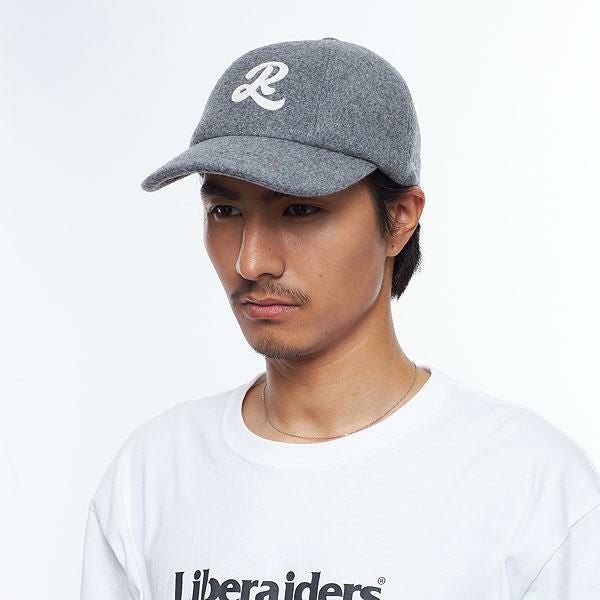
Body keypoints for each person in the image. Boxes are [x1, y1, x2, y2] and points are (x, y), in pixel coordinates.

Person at [80, 37, 600, 600]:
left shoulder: (529, 486)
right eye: (224, 210)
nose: (250, 261)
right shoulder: (153, 473)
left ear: (399, 219)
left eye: (299, 208)